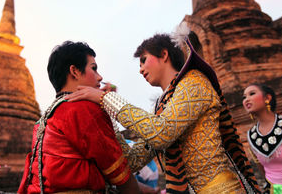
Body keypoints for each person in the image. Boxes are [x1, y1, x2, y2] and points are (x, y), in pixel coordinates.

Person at [66, 25, 260, 194]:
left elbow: (162, 132)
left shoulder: (194, 82)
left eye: (143, 60)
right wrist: (108, 111)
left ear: (164, 55)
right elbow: (133, 160)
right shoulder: (162, 106)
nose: (140, 69)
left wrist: (106, 98)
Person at [18, 41, 140, 194]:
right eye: (94, 69)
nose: (100, 77)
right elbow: (119, 174)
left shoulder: (45, 118)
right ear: (74, 71)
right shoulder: (83, 109)